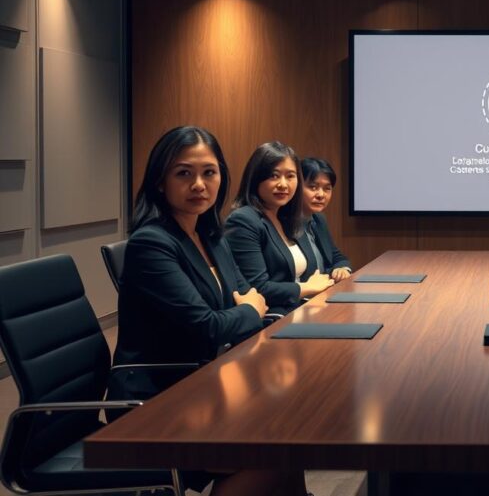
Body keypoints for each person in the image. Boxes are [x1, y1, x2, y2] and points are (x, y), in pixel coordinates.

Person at [107, 126, 306, 495]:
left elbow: (242, 300)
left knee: (289, 428)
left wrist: (245, 308)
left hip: (201, 382)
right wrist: (248, 309)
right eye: (184, 173)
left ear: (222, 178)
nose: (199, 184)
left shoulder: (210, 235)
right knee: (270, 451)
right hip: (155, 397)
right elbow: (210, 326)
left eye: (209, 173)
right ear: (160, 182)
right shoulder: (152, 243)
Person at [226, 142, 334, 315]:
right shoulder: (243, 220)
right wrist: (305, 288)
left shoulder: (287, 217)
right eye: (274, 176)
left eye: (290, 176)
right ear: (256, 178)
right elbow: (258, 288)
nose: (283, 184)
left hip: (304, 309)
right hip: (274, 318)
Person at [299, 157, 352, 280]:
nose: (321, 195)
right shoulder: (284, 223)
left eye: (327, 188)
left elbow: (337, 257)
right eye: (313, 187)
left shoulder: (318, 219)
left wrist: (342, 269)